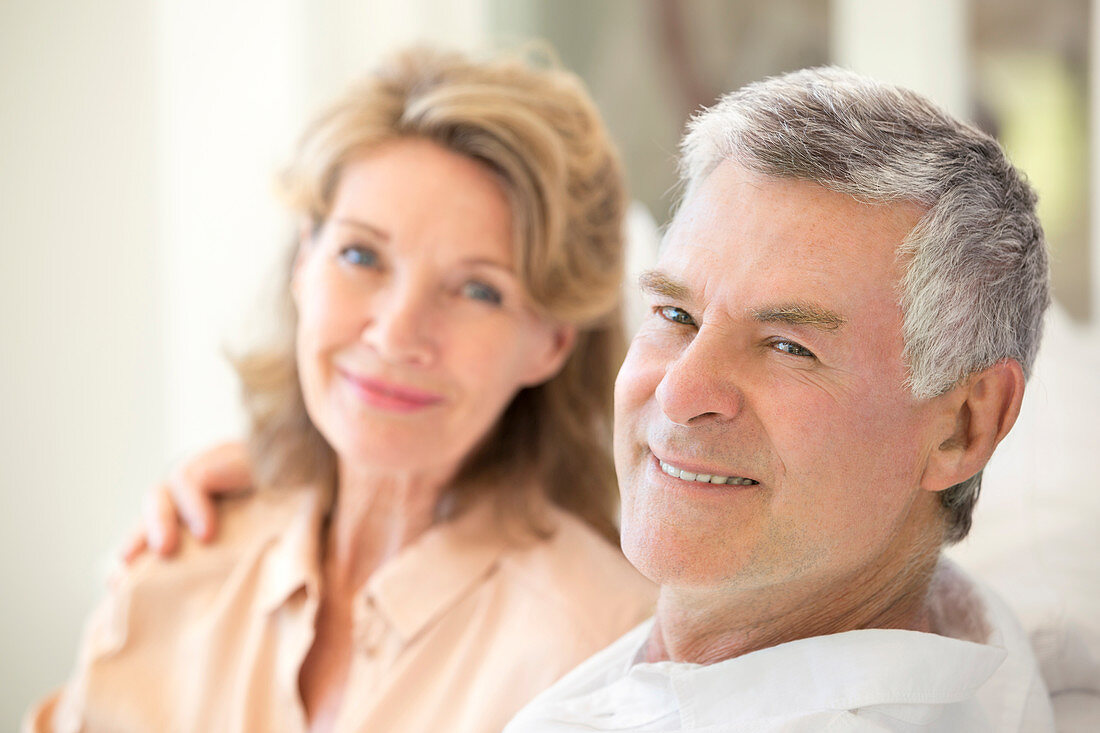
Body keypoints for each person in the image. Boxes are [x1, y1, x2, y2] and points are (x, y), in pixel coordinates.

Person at [27, 47, 654, 733]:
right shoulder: (175, 564)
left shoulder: (606, 651)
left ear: (551, 342)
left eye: (478, 288)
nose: (394, 333)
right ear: (305, 260)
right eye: (361, 254)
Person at [504, 67, 1055, 731]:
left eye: (789, 346)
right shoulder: (963, 627)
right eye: (675, 314)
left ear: (966, 425)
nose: (680, 392)